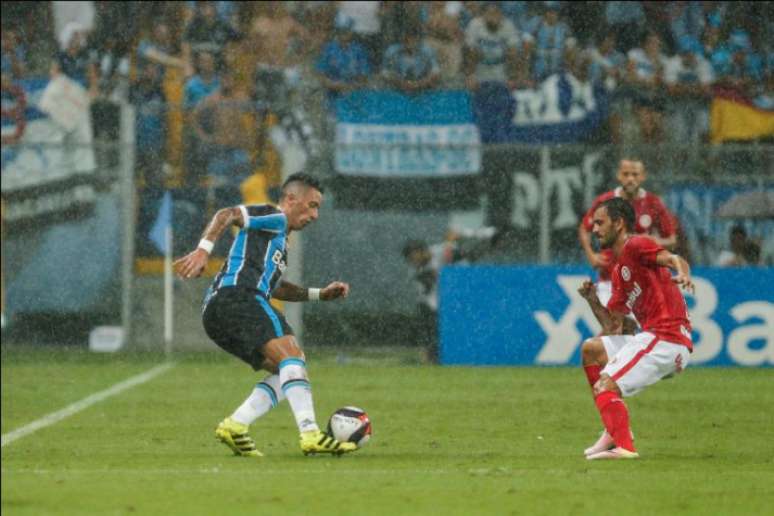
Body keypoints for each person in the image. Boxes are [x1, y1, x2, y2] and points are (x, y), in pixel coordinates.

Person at [173, 173, 358, 457]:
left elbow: (275, 287)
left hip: (218, 313)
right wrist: (203, 250)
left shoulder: (280, 241)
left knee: (288, 369)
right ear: (290, 199)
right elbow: (228, 214)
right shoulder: (275, 216)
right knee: (292, 358)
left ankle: (235, 425)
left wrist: (319, 294)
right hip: (239, 297)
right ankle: (310, 434)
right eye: (311, 205)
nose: (315, 215)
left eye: (318, 208)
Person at [577, 197, 694, 460]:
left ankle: (625, 447)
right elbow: (613, 327)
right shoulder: (619, 272)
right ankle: (613, 432)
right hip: (652, 336)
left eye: (600, 222)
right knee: (592, 350)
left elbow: (674, 259)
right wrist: (592, 300)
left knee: (606, 386)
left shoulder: (637, 245)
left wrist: (684, 274)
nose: (594, 229)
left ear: (618, 224)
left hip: (667, 338)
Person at [578, 159, 676, 329]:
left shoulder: (653, 203)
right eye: (626, 174)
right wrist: (591, 255)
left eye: (635, 174)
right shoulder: (606, 201)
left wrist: (651, 241)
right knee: (616, 328)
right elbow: (584, 228)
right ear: (618, 176)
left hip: (641, 282)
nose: (630, 178)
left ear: (643, 176)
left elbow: (672, 240)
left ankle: (596, 354)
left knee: (625, 331)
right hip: (610, 277)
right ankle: (596, 353)